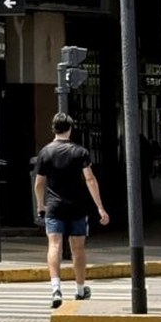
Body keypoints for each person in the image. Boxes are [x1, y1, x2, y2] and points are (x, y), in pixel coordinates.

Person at [33, 112, 110, 309]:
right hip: (78, 206)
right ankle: (80, 288)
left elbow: (39, 183)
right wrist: (100, 207)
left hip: (54, 207)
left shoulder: (45, 152)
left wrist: (40, 204)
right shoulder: (80, 152)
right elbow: (90, 179)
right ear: (70, 129)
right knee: (78, 248)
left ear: (53, 129)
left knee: (54, 245)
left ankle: (55, 288)